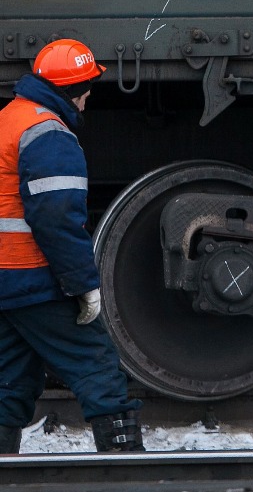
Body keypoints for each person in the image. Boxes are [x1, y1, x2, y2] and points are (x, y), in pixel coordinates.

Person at [0, 39, 144, 453]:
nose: (87, 99)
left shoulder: (9, 118)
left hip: (5, 280)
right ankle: (126, 464)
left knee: (9, 382)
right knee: (95, 364)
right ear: (74, 90)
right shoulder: (48, 134)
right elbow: (57, 219)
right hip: (33, 277)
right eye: (87, 89)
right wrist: (82, 284)